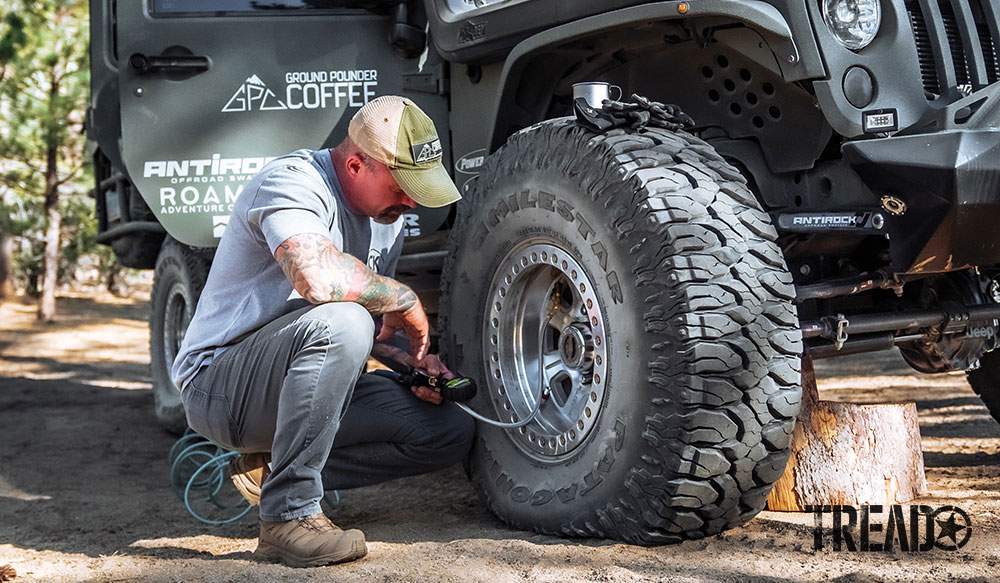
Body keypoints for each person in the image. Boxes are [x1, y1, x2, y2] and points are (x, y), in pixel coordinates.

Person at [171, 96, 475, 567]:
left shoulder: (384, 221)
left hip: (301, 373)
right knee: (342, 318)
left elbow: (371, 330)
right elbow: (317, 281)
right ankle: (288, 515)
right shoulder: (292, 181)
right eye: (402, 185)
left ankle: (271, 471)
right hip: (220, 386)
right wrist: (406, 297)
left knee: (449, 430)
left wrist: (413, 364)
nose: (411, 201)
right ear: (356, 164)